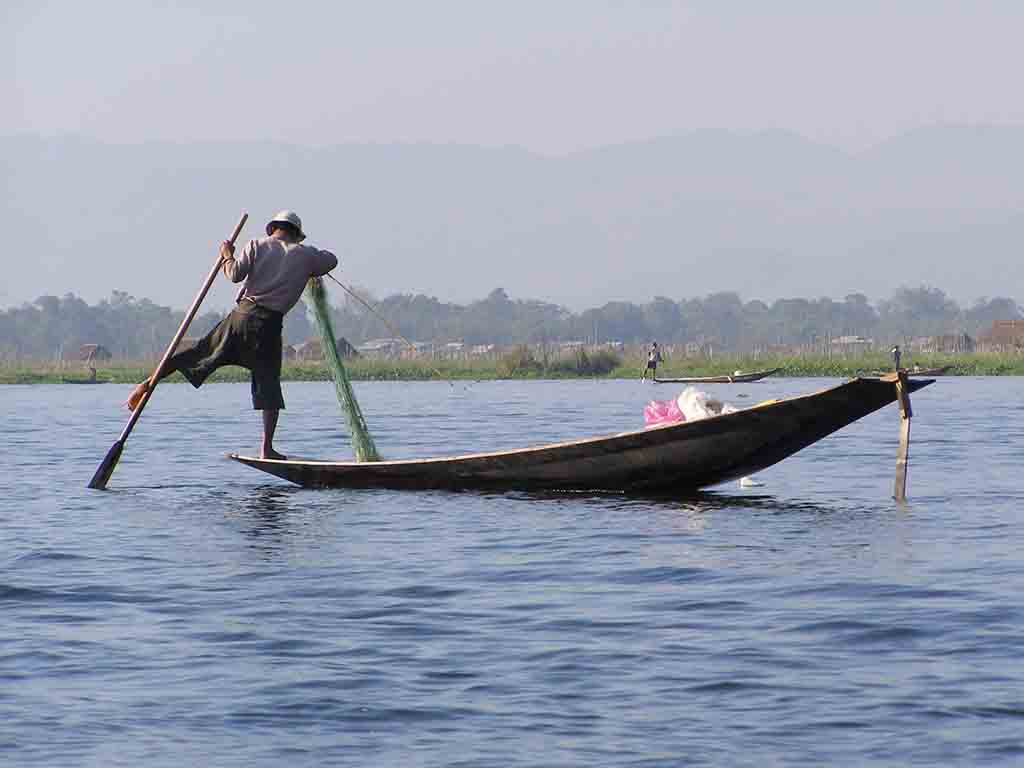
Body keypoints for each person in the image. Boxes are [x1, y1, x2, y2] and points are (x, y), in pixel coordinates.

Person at [125, 210, 337, 459]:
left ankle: (148, 383)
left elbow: (234, 274)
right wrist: (308, 260)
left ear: (275, 228)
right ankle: (267, 448)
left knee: (197, 353)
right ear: (295, 233)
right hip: (268, 327)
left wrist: (227, 256)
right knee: (268, 383)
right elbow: (331, 260)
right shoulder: (306, 255)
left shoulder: (257, 244)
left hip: (241, 317)